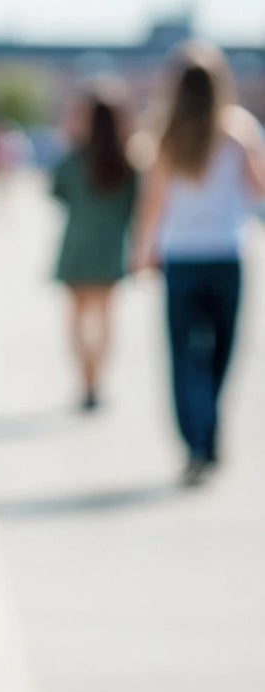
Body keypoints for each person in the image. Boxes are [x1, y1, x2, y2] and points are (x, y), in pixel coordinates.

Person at [131, 40, 265, 485]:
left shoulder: (164, 133)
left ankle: (196, 438)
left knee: (183, 355)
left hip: (182, 256)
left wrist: (142, 250)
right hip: (226, 253)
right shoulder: (239, 131)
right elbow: (257, 189)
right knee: (222, 352)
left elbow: (153, 203)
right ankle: (208, 429)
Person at [48, 78, 139, 410]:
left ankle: (84, 379)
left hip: (77, 249)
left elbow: (56, 193)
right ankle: (96, 380)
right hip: (111, 251)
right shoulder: (130, 163)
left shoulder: (74, 160)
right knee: (104, 319)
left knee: (76, 318)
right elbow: (137, 208)